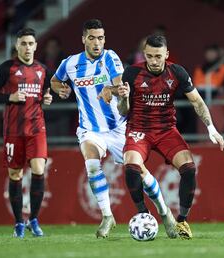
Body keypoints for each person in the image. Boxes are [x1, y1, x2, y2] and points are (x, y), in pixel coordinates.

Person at [117, 34, 224, 239]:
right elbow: (123, 111)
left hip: (167, 130)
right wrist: (123, 98)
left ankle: (182, 221)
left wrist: (211, 128)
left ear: (166, 54)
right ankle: (144, 214)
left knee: (189, 169)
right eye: (149, 56)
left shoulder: (177, 72)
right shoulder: (132, 73)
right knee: (131, 166)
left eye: (158, 56)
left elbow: (197, 101)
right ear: (145, 55)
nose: (154, 61)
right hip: (139, 129)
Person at [51, 19, 150, 238]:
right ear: (84, 39)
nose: (98, 43)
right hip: (90, 129)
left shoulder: (110, 57)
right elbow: (55, 81)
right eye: (93, 38)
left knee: (141, 171)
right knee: (92, 164)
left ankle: (165, 214)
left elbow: (120, 86)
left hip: (117, 128)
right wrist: (61, 89)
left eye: (101, 38)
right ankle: (107, 216)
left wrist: (110, 89)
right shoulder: (70, 63)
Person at [0, 28, 53, 238]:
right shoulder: (7, 68)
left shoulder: (43, 69)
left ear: (35, 45)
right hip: (14, 130)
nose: (27, 47)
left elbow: (46, 94)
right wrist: (10, 98)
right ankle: (18, 222)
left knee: (39, 169)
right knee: (15, 174)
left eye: (30, 43)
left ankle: (33, 218)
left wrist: (48, 100)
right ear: (17, 46)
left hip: (36, 128)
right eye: (23, 43)